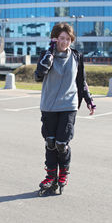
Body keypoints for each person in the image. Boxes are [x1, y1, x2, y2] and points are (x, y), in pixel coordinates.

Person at [35, 22, 96, 195]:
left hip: (68, 105)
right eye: (61, 38)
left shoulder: (76, 56)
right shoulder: (46, 55)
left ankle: (63, 173)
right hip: (49, 105)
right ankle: (50, 175)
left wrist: (89, 100)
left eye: (68, 39)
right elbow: (38, 76)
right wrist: (49, 55)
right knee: (51, 143)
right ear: (54, 39)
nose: (65, 42)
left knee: (62, 143)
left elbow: (81, 81)